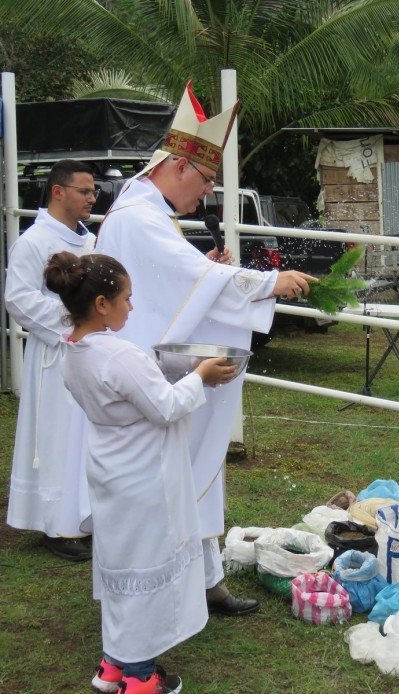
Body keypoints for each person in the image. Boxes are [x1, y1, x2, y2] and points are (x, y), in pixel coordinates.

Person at [95, 82, 316, 616]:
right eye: (207, 181)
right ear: (177, 167)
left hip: (157, 368)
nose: (208, 195)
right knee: (169, 476)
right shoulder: (137, 217)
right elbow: (178, 276)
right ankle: (162, 590)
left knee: (192, 470)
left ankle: (205, 579)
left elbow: (178, 279)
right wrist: (268, 282)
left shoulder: (146, 210)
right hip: (143, 379)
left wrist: (209, 274)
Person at [45, 250, 237, 694]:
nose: (132, 306)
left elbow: (132, 398)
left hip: (111, 469)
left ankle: (113, 664)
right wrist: (202, 375)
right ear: (101, 304)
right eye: (127, 298)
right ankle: (141, 674)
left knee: (121, 567)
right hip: (144, 478)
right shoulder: (118, 355)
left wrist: (177, 374)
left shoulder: (71, 347)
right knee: (148, 569)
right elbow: (165, 407)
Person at [4, 159, 99, 561]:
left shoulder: (91, 240)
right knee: (58, 435)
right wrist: (72, 321)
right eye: (84, 191)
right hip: (55, 351)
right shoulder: (33, 242)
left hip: (91, 349)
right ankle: (54, 523)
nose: (92, 198)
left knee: (88, 434)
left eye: (93, 192)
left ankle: (86, 515)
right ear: (58, 192)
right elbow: (18, 299)